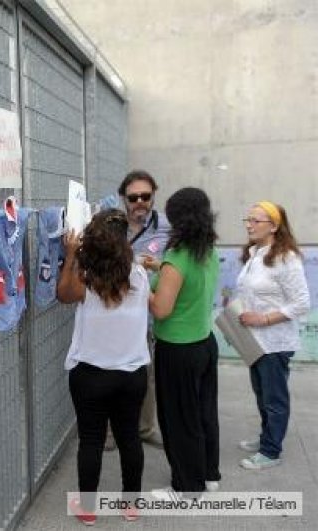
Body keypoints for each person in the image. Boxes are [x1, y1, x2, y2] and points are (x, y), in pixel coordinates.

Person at [58, 209, 151, 525]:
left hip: (90, 376)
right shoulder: (139, 276)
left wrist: (71, 255)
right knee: (129, 438)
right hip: (132, 376)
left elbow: (63, 295)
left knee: (91, 440)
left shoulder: (85, 277)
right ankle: (131, 504)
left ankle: (87, 509)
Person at [148, 187, 220, 500]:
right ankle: (208, 473)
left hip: (177, 349)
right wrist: (157, 268)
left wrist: (141, 287)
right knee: (204, 412)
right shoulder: (208, 249)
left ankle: (187, 487)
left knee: (178, 419)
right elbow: (188, 284)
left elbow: (161, 308)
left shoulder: (177, 258)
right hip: (204, 342)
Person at [235, 202, 310, 469]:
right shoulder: (255, 254)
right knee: (261, 394)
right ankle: (268, 437)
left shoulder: (286, 258)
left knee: (274, 398)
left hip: (275, 342)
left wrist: (263, 318)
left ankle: (271, 452)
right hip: (254, 340)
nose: (248, 225)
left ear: (275, 226)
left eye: (256, 221)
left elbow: (302, 303)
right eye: (248, 219)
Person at [106, 170, 170, 450]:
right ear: (124, 199)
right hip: (112, 314)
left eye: (146, 196)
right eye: (134, 197)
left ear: (154, 195)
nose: (140, 202)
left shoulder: (168, 228)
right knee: (109, 374)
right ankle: (109, 432)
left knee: (146, 375)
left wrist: (156, 267)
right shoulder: (110, 227)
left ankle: (144, 428)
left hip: (146, 316)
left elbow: (176, 266)